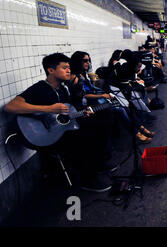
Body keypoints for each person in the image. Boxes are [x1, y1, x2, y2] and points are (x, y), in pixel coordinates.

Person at [4, 53, 112, 192]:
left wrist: (81, 113)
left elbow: (67, 114)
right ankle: (86, 179)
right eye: (65, 68)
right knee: (86, 136)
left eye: (69, 68)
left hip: (58, 130)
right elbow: (11, 106)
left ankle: (97, 165)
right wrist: (48, 108)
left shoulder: (63, 89)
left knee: (99, 124)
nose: (69, 71)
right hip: (42, 136)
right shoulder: (41, 87)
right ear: (51, 70)